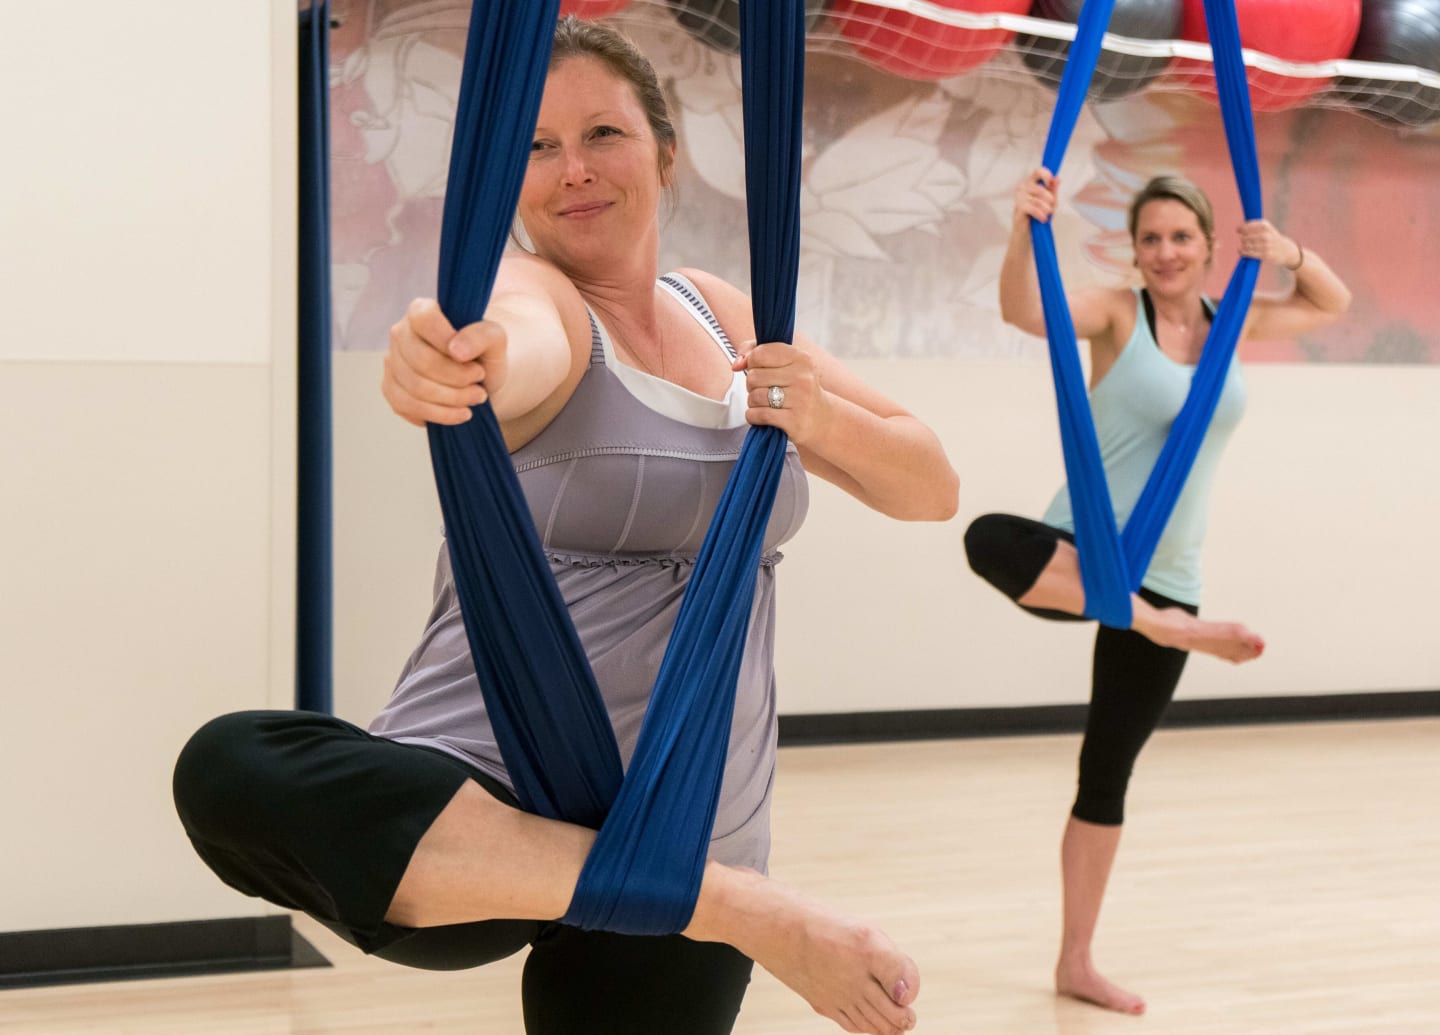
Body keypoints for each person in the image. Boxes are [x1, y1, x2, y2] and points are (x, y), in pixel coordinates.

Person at [173, 16, 957, 1035]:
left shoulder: (724, 313)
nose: (572, 170)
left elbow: (930, 487)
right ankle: (734, 908)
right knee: (229, 767)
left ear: (664, 155)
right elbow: (519, 345)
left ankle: (691, 892)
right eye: (536, 148)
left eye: (602, 135)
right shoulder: (533, 295)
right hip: (489, 810)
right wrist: (463, 361)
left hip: (690, 810)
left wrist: (817, 413)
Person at [965, 168, 1351, 1015]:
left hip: (1171, 577)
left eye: (1181, 236)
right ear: (1134, 251)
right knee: (986, 536)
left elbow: (1331, 302)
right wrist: (1022, 227)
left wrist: (1284, 251)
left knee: (1104, 775)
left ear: (1212, 247)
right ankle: (1160, 626)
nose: (1166, 251)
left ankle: (1076, 960)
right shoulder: (1115, 313)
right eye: (1151, 238)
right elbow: (1024, 313)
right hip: (1083, 552)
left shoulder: (1230, 322)